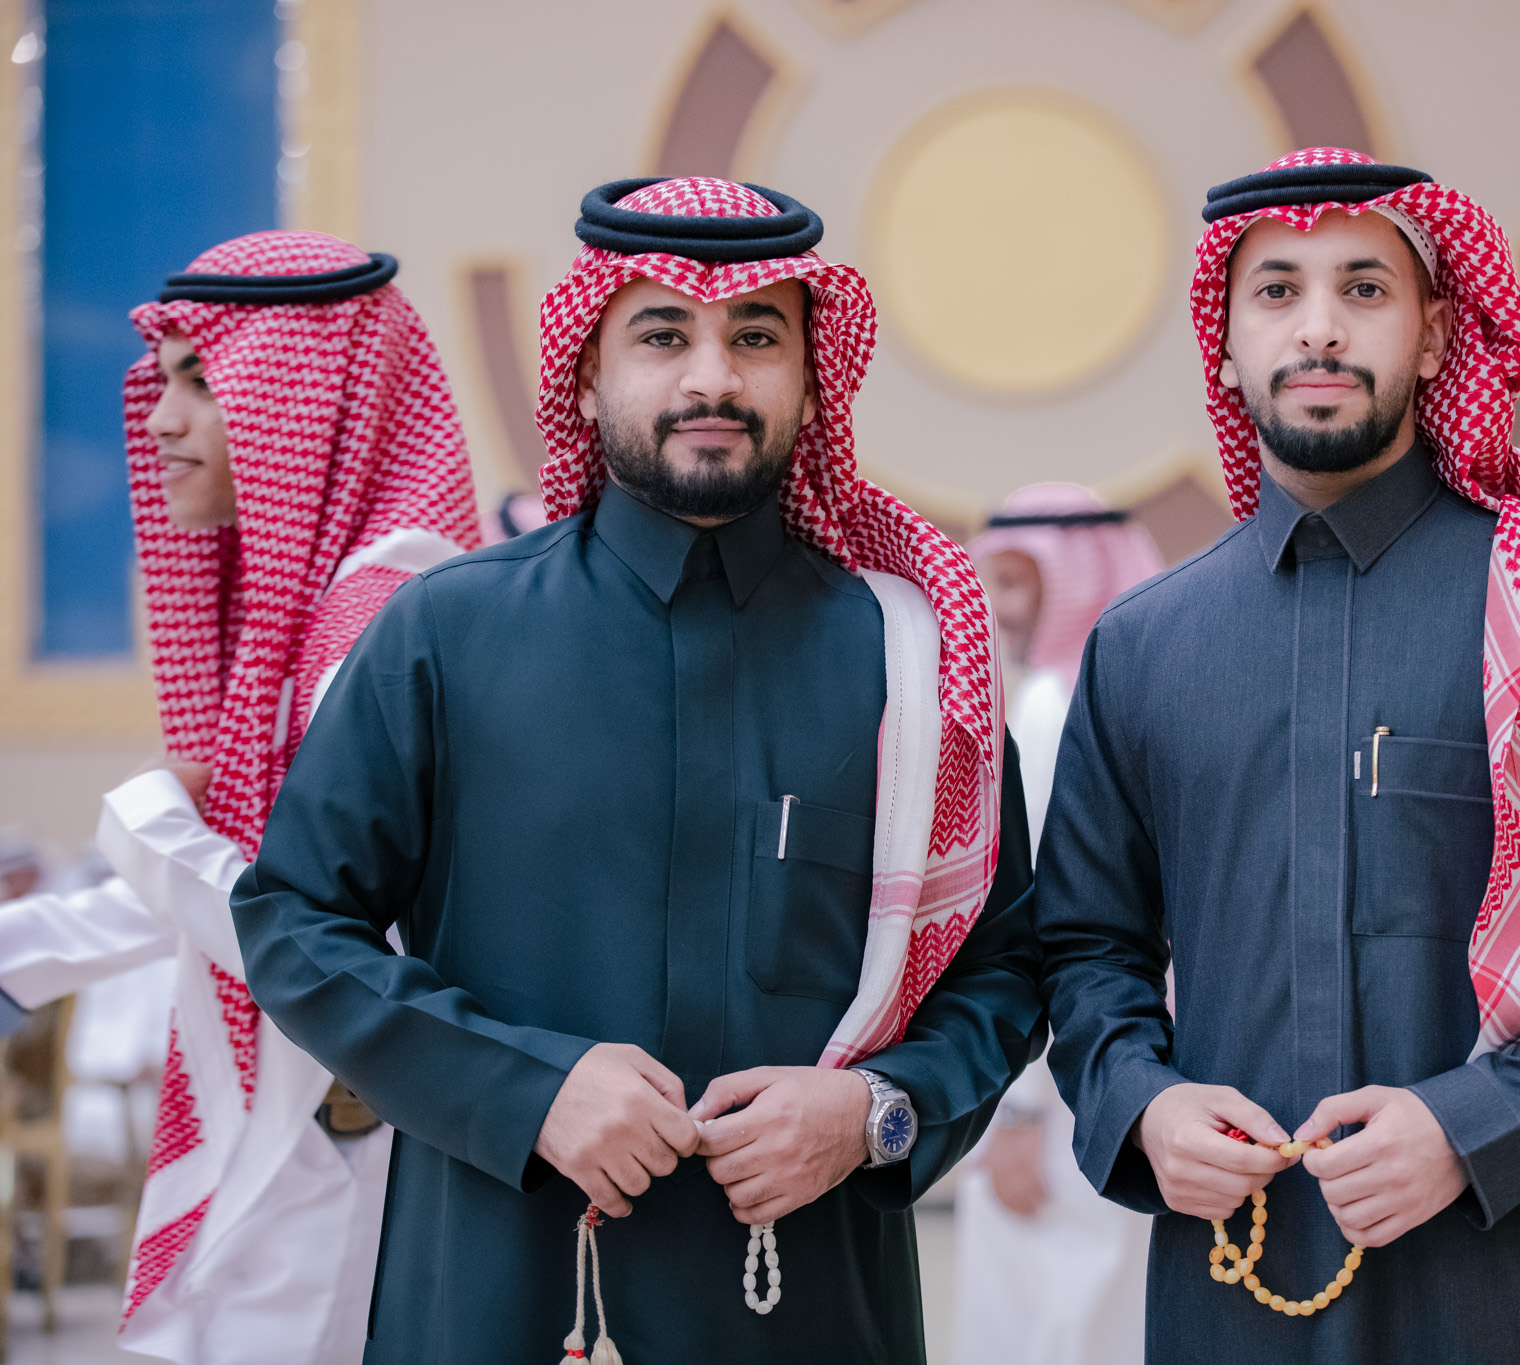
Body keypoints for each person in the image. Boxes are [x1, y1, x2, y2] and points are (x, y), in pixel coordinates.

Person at [230, 177, 1039, 1365]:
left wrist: (875, 1111)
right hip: (497, 1300)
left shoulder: (906, 660)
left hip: (809, 1314)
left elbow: (1005, 968)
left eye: (755, 338)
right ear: (585, 374)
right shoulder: (445, 634)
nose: (712, 379)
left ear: (812, 377)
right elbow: (295, 921)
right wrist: (525, 1090)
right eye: (662, 336)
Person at [1033, 148, 1520, 1362]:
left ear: (1432, 337)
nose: (1317, 327)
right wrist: (1142, 1104)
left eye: (1362, 289)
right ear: (1224, 344)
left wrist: (1474, 1125)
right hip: (1240, 1287)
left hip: (1516, 1283)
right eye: (1276, 291)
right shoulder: (1144, 646)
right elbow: (1080, 949)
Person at [0, 231, 479, 1364]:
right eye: (163, 380)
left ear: (311, 403)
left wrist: (146, 822)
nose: (161, 421)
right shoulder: (331, 606)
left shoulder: (389, 613)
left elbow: (305, 931)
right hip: (304, 1146)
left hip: (349, 1152)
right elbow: (246, 876)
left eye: (202, 381)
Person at [955, 486, 1161, 1365]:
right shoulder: (1140, 698)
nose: (1000, 608)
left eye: (1016, 583)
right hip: (1134, 1072)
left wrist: (1015, 1114)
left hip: (1055, 1091)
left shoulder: (1049, 706)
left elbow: (1045, 925)